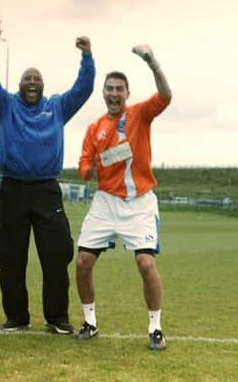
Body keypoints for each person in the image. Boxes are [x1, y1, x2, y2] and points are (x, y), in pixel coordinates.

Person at [0, 26, 95, 334]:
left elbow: (83, 89)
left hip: (46, 190)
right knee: (9, 257)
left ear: (43, 85)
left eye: (37, 79)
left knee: (56, 256)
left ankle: (57, 317)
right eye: (27, 79)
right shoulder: (5, 105)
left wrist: (87, 56)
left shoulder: (57, 107)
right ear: (18, 86)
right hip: (13, 189)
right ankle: (17, 317)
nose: (32, 82)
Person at [74, 44, 172, 350]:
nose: (114, 93)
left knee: (145, 263)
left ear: (127, 93)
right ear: (103, 93)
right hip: (106, 202)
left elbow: (166, 96)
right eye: (109, 89)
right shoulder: (95, 128)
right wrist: (90, 168)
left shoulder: (140, 114)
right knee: (82, 262)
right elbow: (84, 165)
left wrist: (152, 62)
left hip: (140, 202)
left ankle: (155, 328)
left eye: (119, 89)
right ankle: (90, 322)